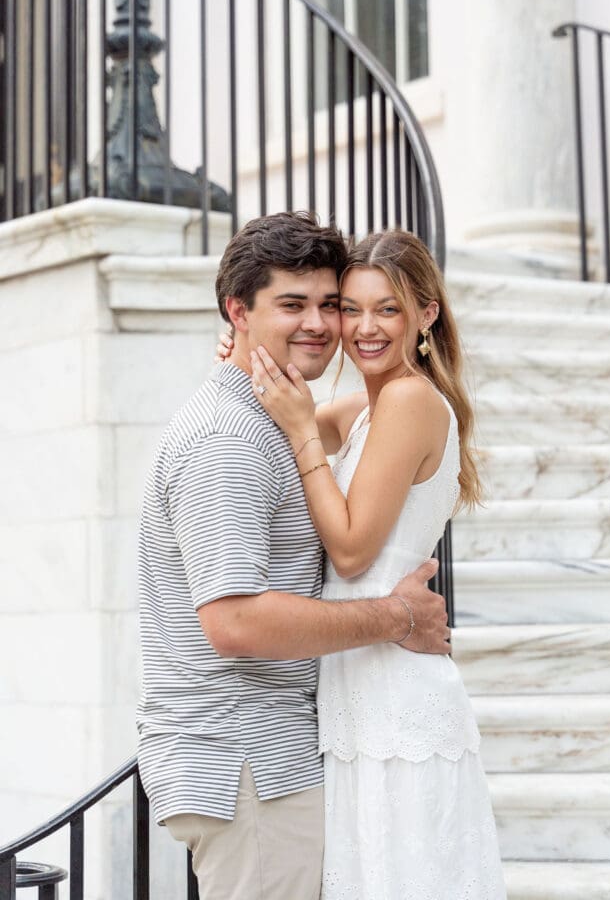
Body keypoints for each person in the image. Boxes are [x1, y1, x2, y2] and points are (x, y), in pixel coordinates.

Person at [136, 212, 450, 900]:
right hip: (243, 758)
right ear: (236, 312)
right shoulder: (228, 439)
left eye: (326, 305)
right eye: (290, 304)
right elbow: (236, 623)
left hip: (273, 752)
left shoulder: (272, 415)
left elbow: (359, 430)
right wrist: (394, 616)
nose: (318, 323)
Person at [233, 228, 507, 899]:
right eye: (350, 309)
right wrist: (246, 357)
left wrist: (302, 430)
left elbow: (352, 551)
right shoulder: (370, 406)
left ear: (426, 314)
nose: (362, 328)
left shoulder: (411, 401)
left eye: (386, 308)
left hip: (394, 687)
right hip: (359, 676)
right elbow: (274, 414)